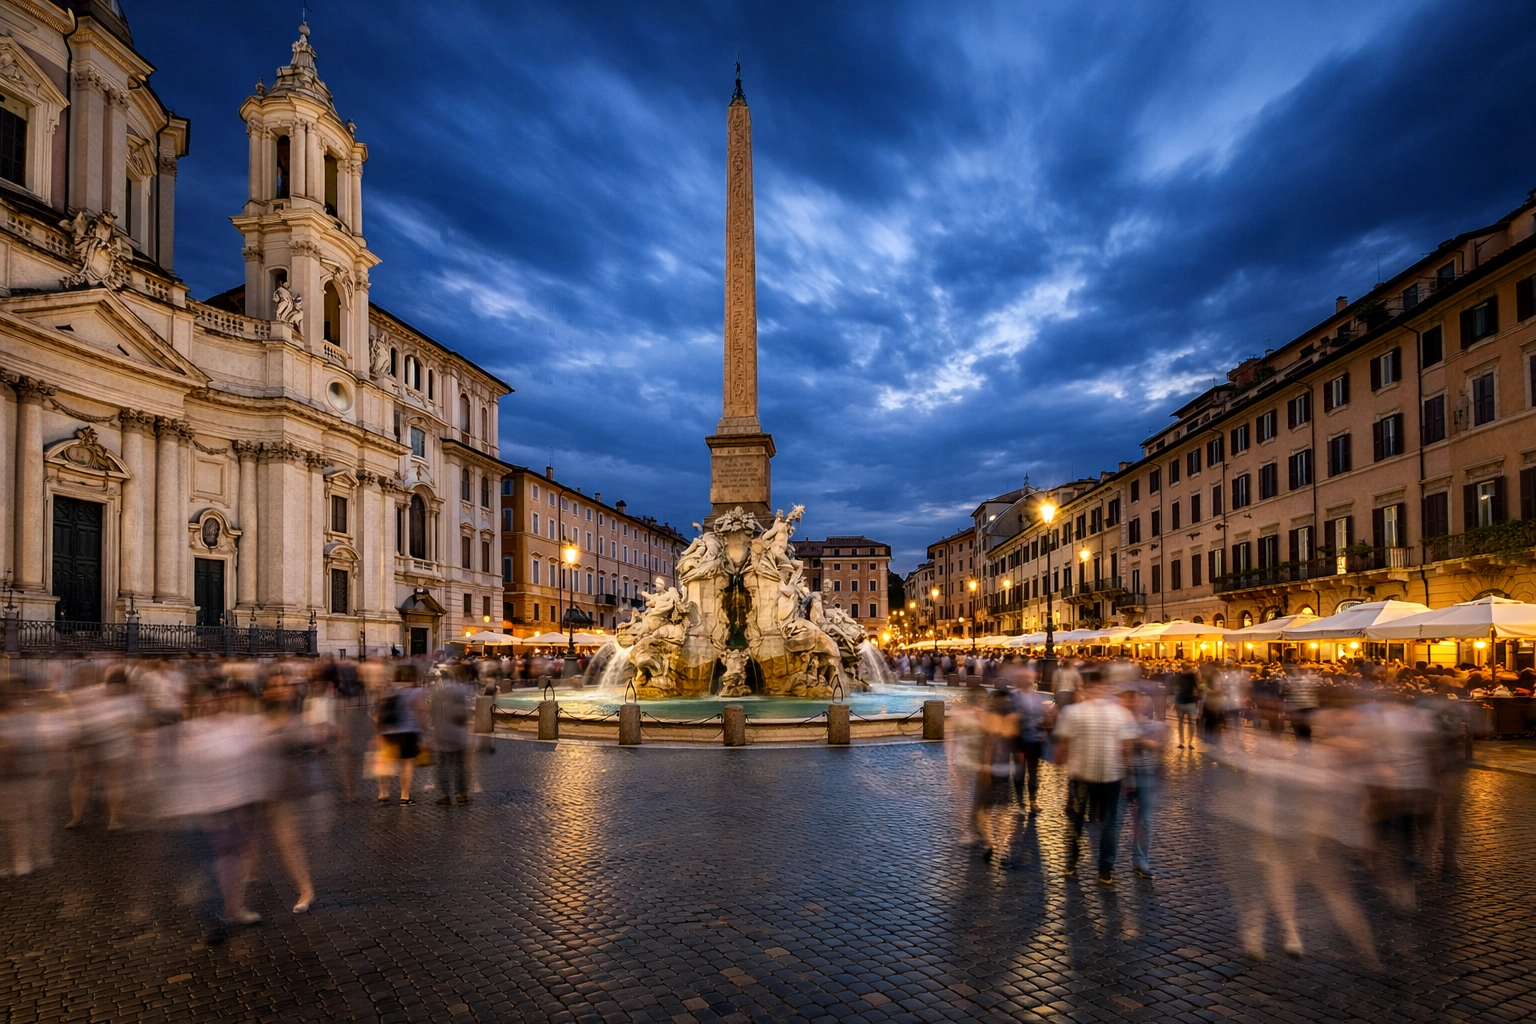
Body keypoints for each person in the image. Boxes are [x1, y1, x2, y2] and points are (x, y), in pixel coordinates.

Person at [1052, 679, 1138, 884]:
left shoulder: (1073, 712)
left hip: (1081, 775)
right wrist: (1129, 775)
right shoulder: (1121, 713)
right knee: (1110, 823)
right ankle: (1105, 869)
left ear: (1086, 689)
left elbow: (1062, 744)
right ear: (1105, 688)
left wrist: (1059, 762)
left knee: (1076, 819)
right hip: (1111, 776)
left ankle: (1071, 863)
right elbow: (1127, 747)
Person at [1120, 683, 1165, 878]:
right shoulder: (1118, 723)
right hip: (1122, 776)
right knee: (1115, 822)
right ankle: (1107, 863)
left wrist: (1142, 742)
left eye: (1136, 699)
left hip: (1146, 775)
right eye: (1129, 699)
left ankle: (1141, 859)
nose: (1133, 703)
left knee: (1145, 820)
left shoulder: (1154, 725)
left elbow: (1161, 747)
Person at [375, 668, 425, 805]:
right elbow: (420, 712)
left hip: (388, 732)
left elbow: (380, 712)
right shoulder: (416, 691)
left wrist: (378, 733)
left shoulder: (388, 689)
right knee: (407, 764)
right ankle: (404, 796)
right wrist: (423, 732)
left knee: (386, 763)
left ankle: (383, 793)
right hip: (408, 731)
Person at [430, 671, 474, 805]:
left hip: (441, 734)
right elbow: (467, 713)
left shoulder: (437, 693)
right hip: (458, 734)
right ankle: (461, 794)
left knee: (442, 766)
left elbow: (433, 714)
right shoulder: (460, 691)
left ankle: (444, 794)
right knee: (460, 766)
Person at [1010, 676, 1047, 815]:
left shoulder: (1036, 697)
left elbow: (1041, 716)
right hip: (1020, 740)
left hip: (1033, 740)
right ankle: (1021, 802)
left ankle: (1032, 801)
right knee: (1020, 773)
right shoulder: (1015, 696)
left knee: (1032, 772)